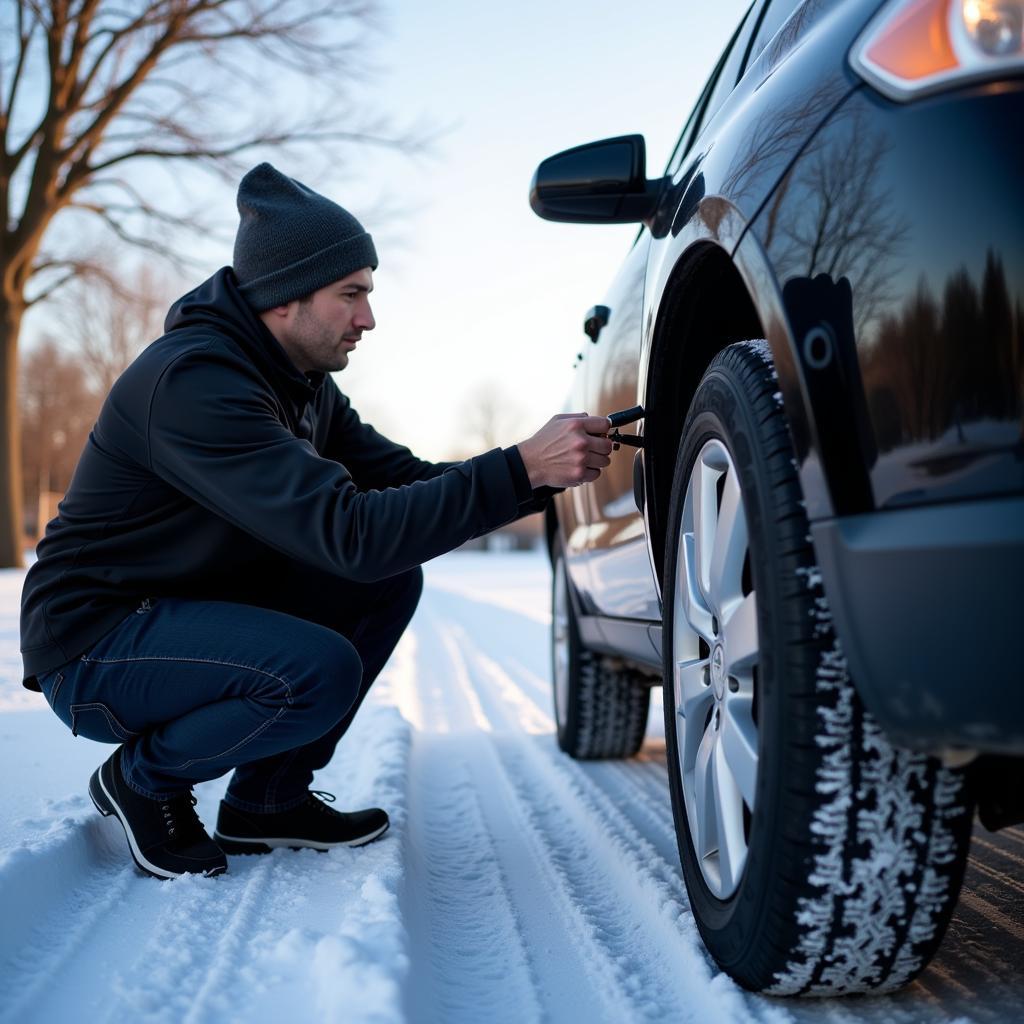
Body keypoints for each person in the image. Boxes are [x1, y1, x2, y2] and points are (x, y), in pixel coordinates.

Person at [18, 163, 613, 880]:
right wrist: (521, 467)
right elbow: (350, 535)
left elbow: (408, 485)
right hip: (96, 645)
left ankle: (268, 800)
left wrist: (543, 469)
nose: (369, 318)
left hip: (179, 610)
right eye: (351, 294)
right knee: (315, 671)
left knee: (387, 581)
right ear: (282, 299)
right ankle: (143, 780)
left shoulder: (302, 387)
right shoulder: (196, 385)